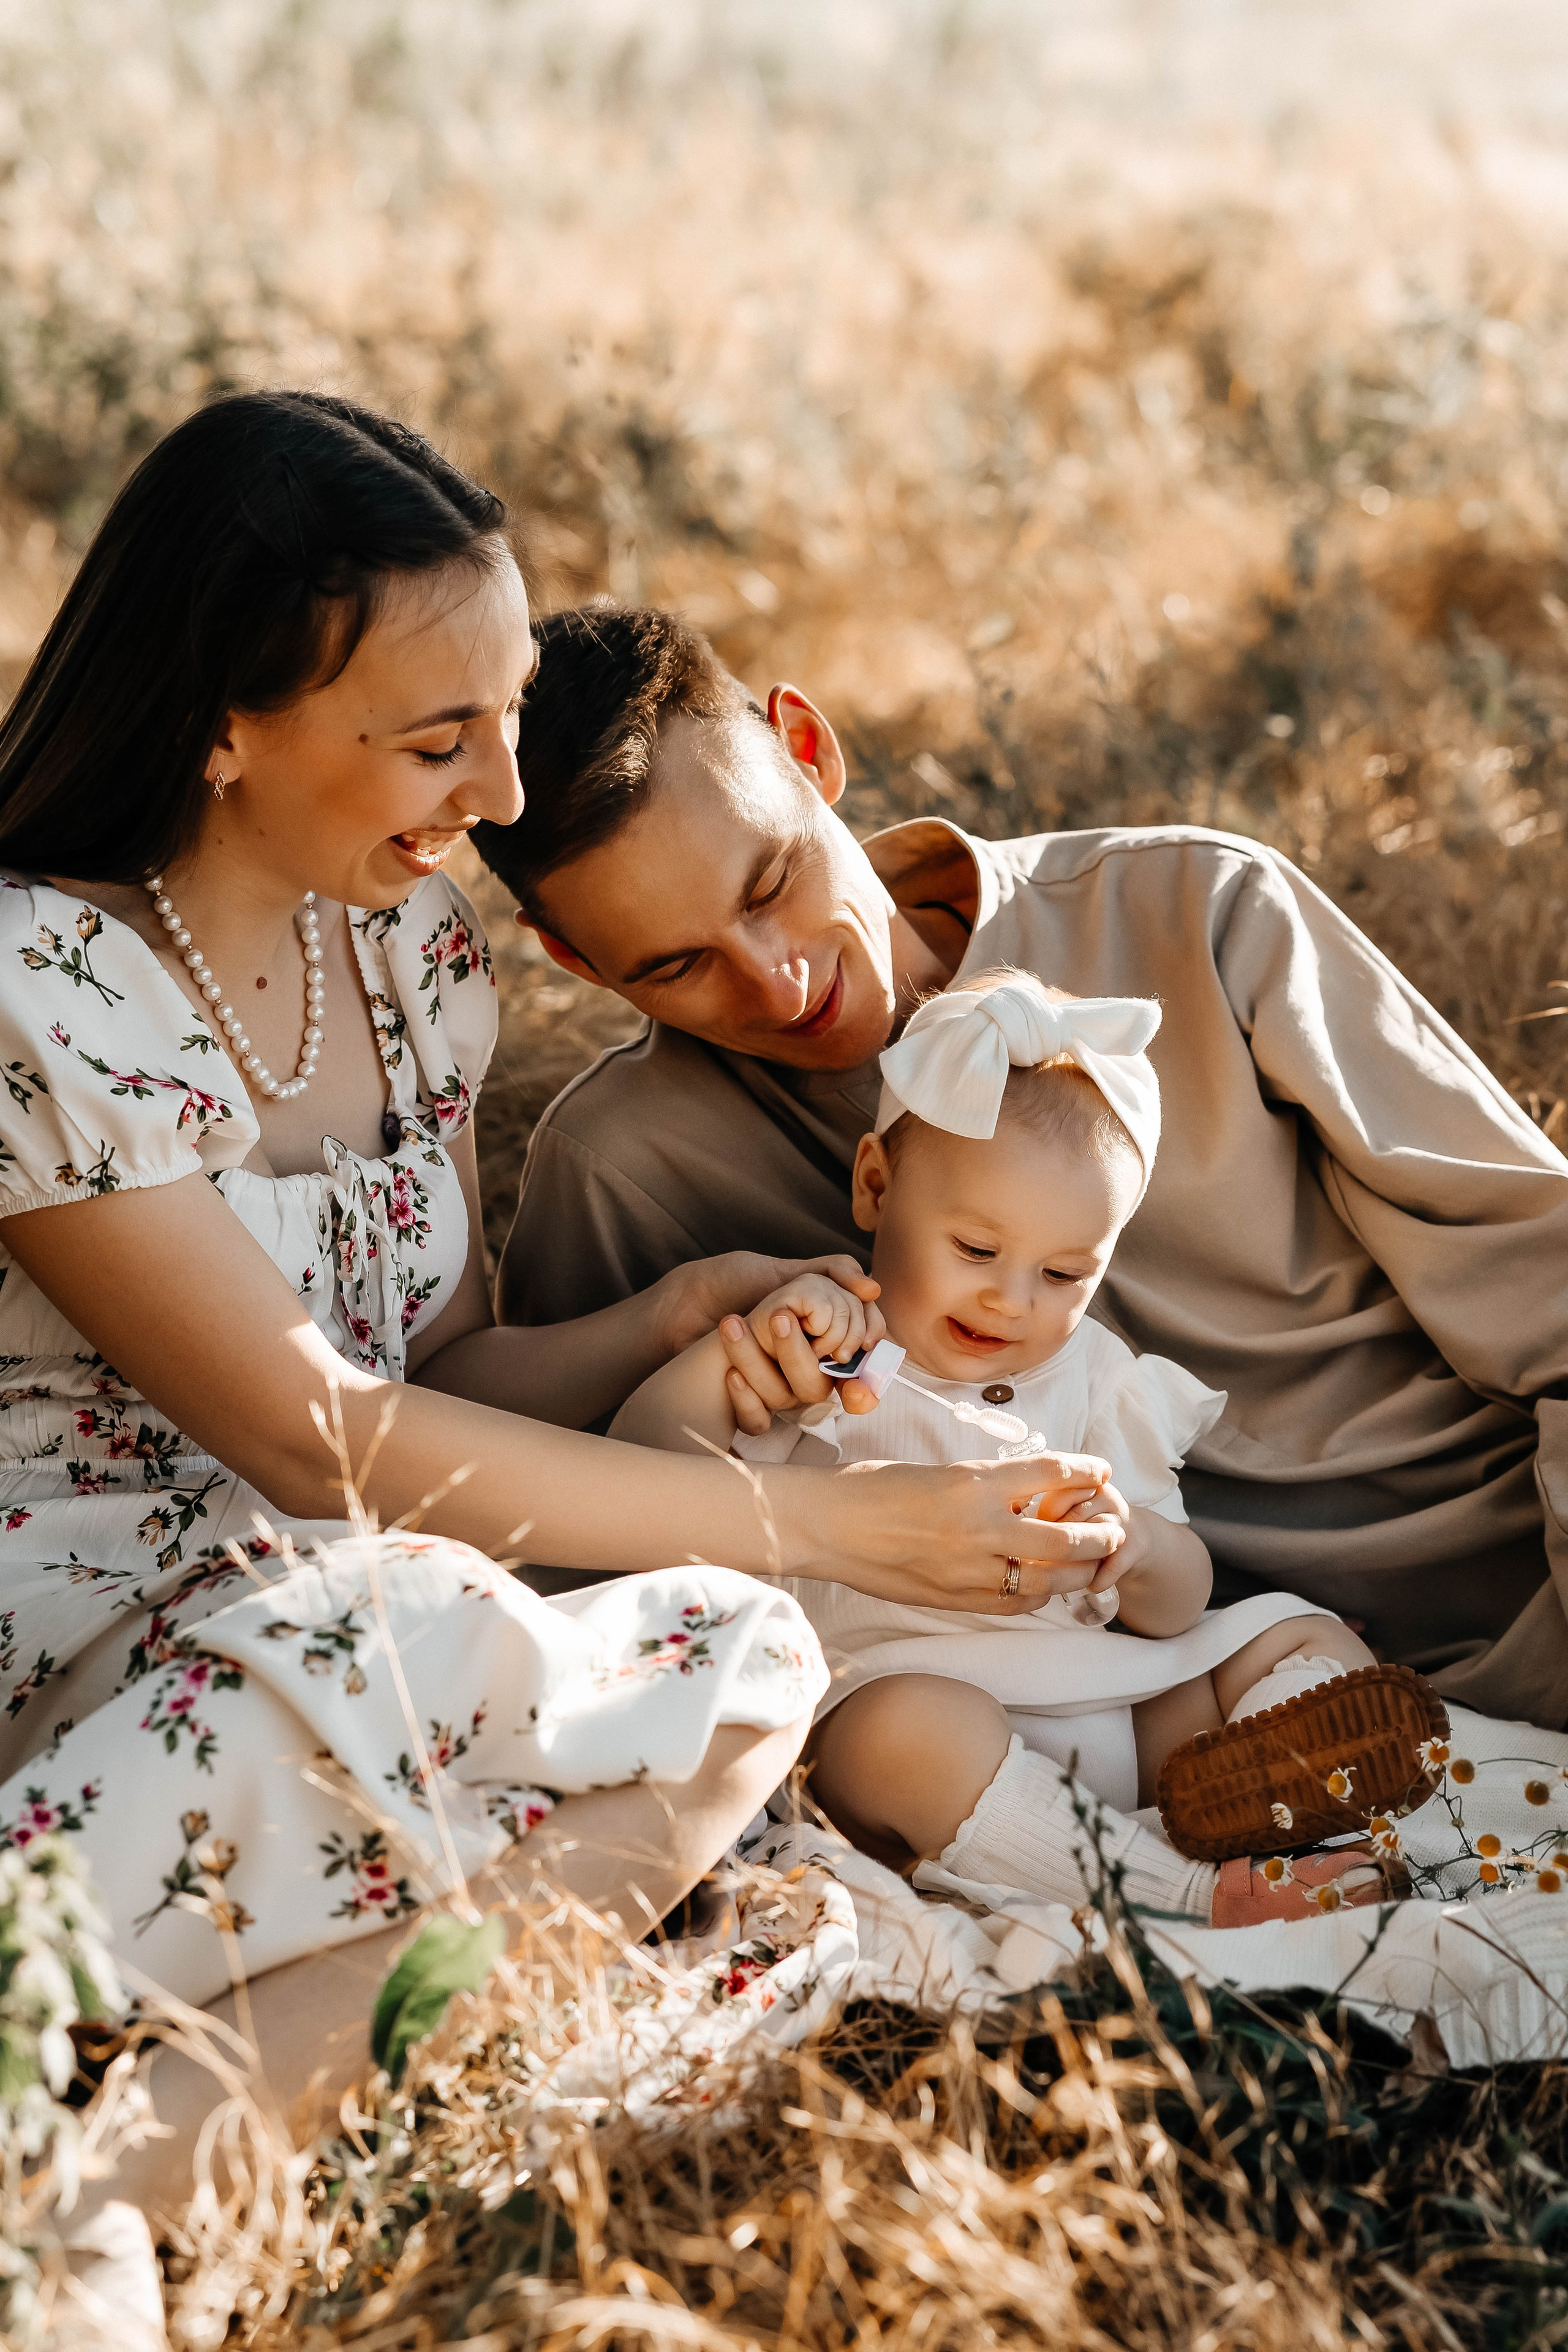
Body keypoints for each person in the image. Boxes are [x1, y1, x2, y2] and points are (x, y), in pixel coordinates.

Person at [0, 394, 1128, 2241]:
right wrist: (836, 1524)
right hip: (98, 1627)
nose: (507, 799)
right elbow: (322, 1435)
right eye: (441, 739)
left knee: (742, 1671)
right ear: (222, 723)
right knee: (626, 1645)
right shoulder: (41, 978)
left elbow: (437, 1375)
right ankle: (115, 2157)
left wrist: (669, 1316)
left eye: (509, 707)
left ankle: (153, 2170)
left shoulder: (406, 956)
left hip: (351, 1590)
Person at [473, 603, 1568, 1729]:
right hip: (1158, 1718)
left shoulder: (1199, 915)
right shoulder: (626, 1163)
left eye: (771, 886)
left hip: (1527, 1608)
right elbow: (494, 1479)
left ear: (809, 750)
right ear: (574, 959)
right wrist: (676, 1313)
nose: (778, 984)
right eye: (677, 965)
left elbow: (1549, 1292)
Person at [613, 969, 1444, 1925]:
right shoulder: (832, 1348)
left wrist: (1134, 1546)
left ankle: (1268, 1808)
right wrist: (748, 1353)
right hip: (911, 1699)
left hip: (1117, 1705)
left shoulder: (1096, 1377)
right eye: (975, 1251)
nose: (1014, 1300)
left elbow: (1178, 1610)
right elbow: (645, 1461)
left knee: (1295, 1629)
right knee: (904, 1736)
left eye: (1063, 1273)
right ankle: (1185, 1892)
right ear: (876, 1185)